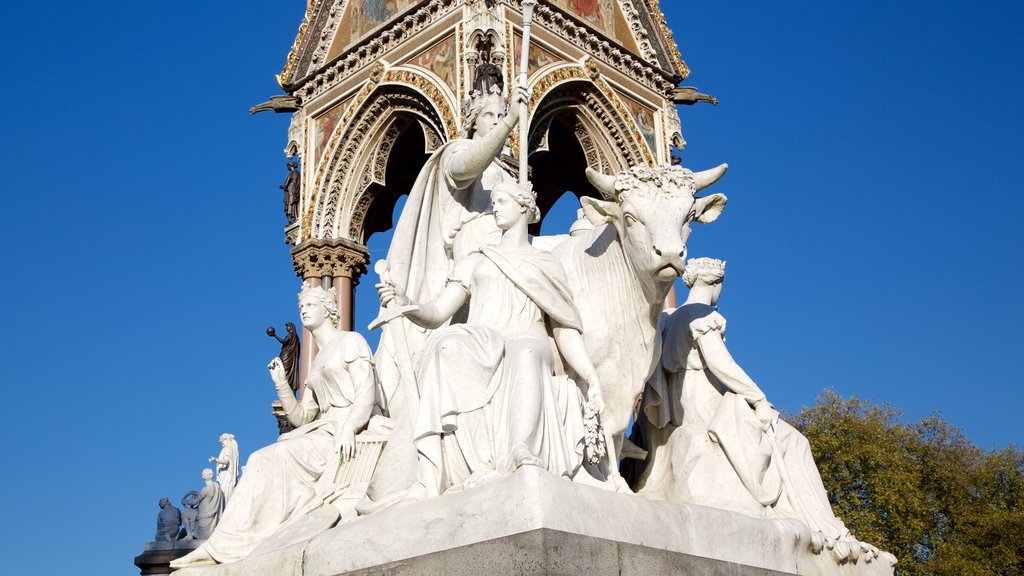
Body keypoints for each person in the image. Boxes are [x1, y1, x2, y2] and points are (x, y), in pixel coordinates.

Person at [378, 181, 604, 497]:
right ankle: (436, 471)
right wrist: (406, 303)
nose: (495, 207)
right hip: (484, 338)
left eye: (502, 201)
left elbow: (565, 327)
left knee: (523, 352)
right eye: (494, 201)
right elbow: (439, 312)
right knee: (447, 344)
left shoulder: (545, 262)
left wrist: (590, 374)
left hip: (527, 338)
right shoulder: (475, 260)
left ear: (524, 207)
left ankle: (520, 448)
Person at [636, 258, 867, 561]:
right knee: (794, 441)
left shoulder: (671, 316)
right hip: (706, 404)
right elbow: (721, 365)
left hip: (687, 404)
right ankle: (823, 524)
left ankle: (821, 523)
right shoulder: (701, 315)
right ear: (716, 284)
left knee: (787, 439)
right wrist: (758, 398)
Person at [171, 285, 377, 567]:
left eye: (311, 304)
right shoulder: (316, 361)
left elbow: (367, 391)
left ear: (328, 309)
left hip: (340, 432)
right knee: (259, 460)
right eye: (301, 305)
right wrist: (282, 384)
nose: (303, 309)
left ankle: (226, 546)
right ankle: (225, 545)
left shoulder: (351, 342)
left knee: (274, 457)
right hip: (319, 431)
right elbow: (304, 417)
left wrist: (351, 427)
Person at [183, 468, 225, 540]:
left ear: (204, 477)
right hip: (209, 513)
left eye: (203, 474)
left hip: (203, 515)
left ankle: (189, 535)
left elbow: (194, 501)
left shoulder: (206, 489)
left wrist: (185, 501)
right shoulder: (217, 487)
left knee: (184, 515)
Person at [267, 322, 301, 393]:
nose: (286, 328)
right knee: (286, 372)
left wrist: (274, 335)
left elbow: (284, 342)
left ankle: (287, 389)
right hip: (289, 356)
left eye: (287, 326)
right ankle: (288, 389)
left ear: (291, 327)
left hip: (287, 356)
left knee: (284, 372)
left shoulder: (291, 335)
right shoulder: (295, 336)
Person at [209, 433, 239, 503]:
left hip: (226, 474)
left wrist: (215, 459)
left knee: (224, 494)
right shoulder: (233, 448)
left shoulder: (228, 448)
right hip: (228, 475)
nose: (222, 444)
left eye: (222, 442)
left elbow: (226, 461)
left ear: (226, 440)